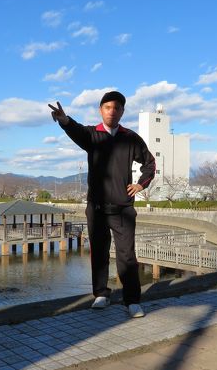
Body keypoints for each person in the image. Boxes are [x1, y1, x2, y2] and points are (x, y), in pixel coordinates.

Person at [48, 92, 155, 318]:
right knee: (99, 251)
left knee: (127, 255)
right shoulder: (92, 134)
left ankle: (132, 300)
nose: (112, 111)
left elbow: (150, 163)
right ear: (101, 110)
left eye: (116, 108)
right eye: (107, 107)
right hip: (96, 207)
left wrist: (141, 185)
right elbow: (75, 130)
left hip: (123, 208)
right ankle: (101, 294)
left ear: (122, 112)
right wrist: (64, 120)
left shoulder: (130, 138)